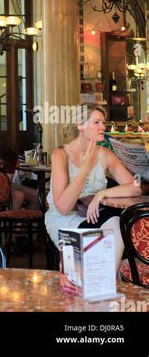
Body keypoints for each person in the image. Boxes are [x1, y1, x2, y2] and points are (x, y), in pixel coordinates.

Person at [45, 104, 142, 272]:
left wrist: (101, 195)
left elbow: (135, 188)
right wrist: (85, 168)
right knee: (119, 237)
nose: (103, 127)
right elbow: (63, 207)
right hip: (65, 220)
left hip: (94, 215)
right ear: (80, 125)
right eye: (96, 122)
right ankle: (110, 280)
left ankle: (102, 283)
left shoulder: (105, 153)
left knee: (118, 225)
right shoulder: (60, 155)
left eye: (103, 122)